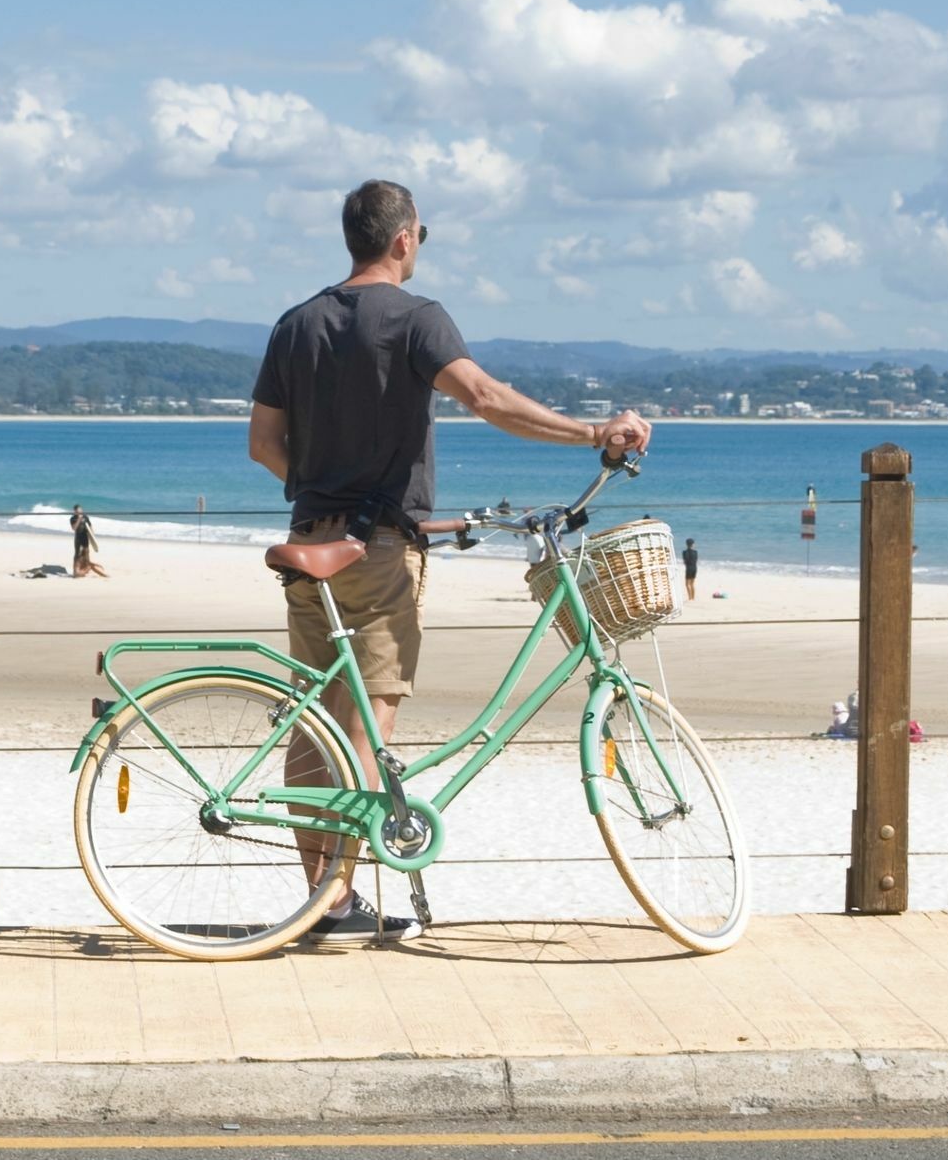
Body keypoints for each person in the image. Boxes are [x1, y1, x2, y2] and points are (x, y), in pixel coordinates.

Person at [249, 178, 651, 942]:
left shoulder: (294, 324)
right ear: (404, 239)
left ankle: (321, 898)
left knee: (316, 726)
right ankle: (334, 902)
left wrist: (324, 496)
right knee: (368, 725)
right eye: (420, 238)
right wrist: (592, 429)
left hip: (310, 544)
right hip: (376, 551)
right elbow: (486, 397)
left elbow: (264, 445)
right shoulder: (414, 318)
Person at [69, 505, 108, 578]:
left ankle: (88, 566)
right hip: (78, 539)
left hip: (85, 538)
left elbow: (90, 526)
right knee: (77, 554)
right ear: (74, 512)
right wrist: (79, 519)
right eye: (77, 511)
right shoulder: (72, 519)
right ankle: (77, 570)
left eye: (80, 510)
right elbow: (74, 528)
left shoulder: (85, 517)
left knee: (86, 552)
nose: (79, 512)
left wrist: (92, 537)